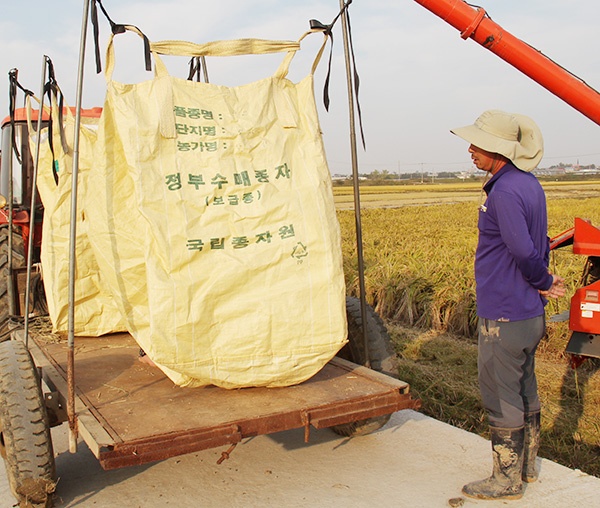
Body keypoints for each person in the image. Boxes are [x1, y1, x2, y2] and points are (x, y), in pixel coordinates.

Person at [450, 110, 565, 500]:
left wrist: (544, 280)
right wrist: (541, 286)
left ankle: (506, 478)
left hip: (505, 312)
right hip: (528, 312)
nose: (470, 150)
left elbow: (521, 248)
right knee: (524, 386)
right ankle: (528, 466)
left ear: (497, 149)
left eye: (476, 144)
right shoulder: (529, 184)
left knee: (500, 392)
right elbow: (539, 241)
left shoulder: (504, 192)